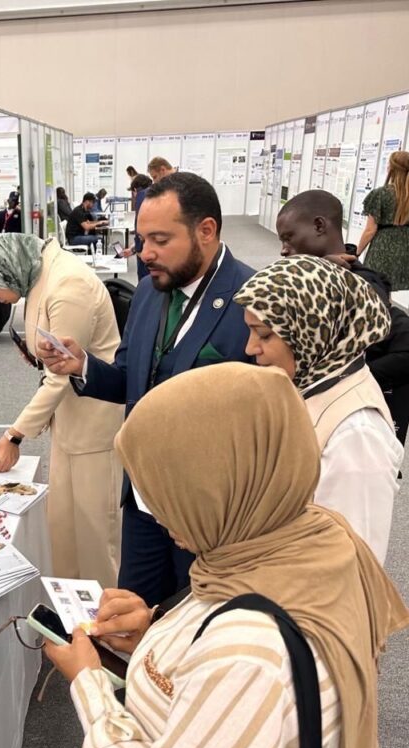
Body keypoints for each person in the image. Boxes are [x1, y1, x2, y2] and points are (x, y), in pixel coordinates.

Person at [44, 363, 409, 748]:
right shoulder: (314, 540)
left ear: (219, 486)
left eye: (168, 490)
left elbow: (238, 666)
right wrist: (154, 632)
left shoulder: (246, 652)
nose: (157, 514)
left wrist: (89, 685)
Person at [38, 172, 255, 606]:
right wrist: (83, 367)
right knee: (131, 618)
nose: (145, 253)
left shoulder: (250, 301)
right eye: (141, 238)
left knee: (192, 635)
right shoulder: (149, 293)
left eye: (159, 239)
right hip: (141, 501)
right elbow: (131, 379)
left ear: (206, 231)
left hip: (207, 518)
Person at [0, 233, 124, 585]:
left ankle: (108, 632)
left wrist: (13, 435)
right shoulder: (42, 275)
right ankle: (73, 618)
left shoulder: (68, 285)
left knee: (96, 538)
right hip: (68, 422)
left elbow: (61, 376)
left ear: (7, 270)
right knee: (63, 529)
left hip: (94, 425)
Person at [235, 255, 403, 564]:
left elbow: (352, 565)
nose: (250, 348)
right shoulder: (314, 384)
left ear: (312, 330)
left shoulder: (356, 434)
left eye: (264, 334)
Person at [277, 190, 409, 445]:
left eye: (289, 238)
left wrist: (341, 382)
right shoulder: (304, 281)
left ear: (319, 225)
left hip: (353, 428)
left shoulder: (364, 289)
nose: (284, 250)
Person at [357, 151, 409, 291]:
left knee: (377, 288)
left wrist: (356, 253)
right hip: (407, 247)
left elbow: (370, 230)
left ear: (390, 167)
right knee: (389, 289)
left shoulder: (380, 194)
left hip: (383, 246)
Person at [123, 173, 154, 281]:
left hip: (145, 250)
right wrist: (133, 249)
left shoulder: (141, 196)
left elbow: (140, 227)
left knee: (144, 280)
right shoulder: (155, 194)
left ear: (135, 189)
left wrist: (138, 249)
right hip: (154, 247)